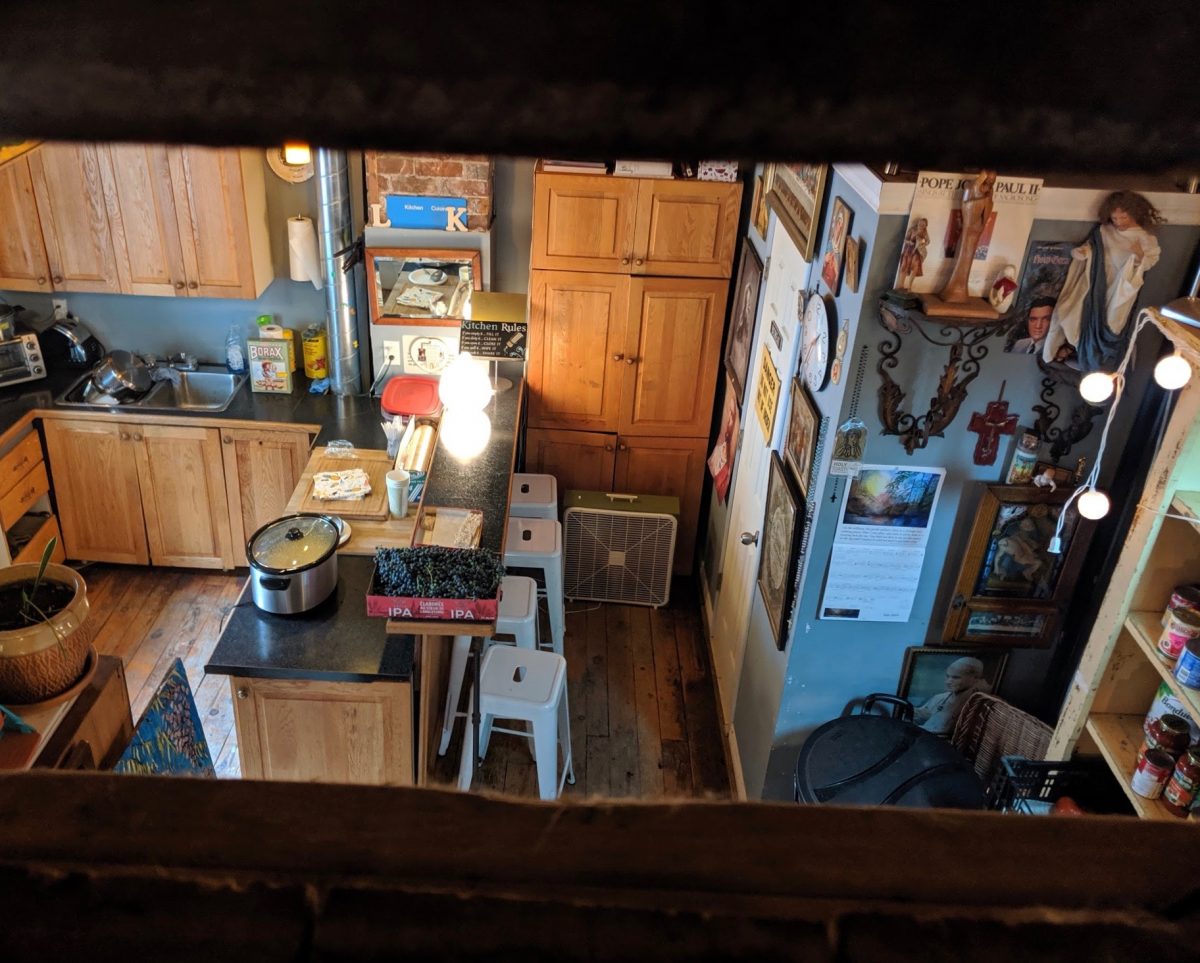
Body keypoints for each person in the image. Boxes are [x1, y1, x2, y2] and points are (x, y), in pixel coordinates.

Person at [1042, 190, 1163, 371]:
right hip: (1095, 282)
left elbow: (1148, 262)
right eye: (1115, 219)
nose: (1119, 223)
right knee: (1070, 313)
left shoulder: (1146, 239)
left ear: (1134, 213)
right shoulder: (1104, 232)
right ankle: (1076, 345)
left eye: (1123, 218)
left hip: (1121, 288)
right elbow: (1092, 248)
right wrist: (1084, 253)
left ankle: (1095, 359)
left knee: (1112, 322)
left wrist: (1139, 255)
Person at [912, 657, 991, 736]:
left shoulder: (978, 703)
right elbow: (925, 716)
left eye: (956, 677)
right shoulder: (940, 697)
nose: (948, 682)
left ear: (975, 678)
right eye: (947, 676)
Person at [897, 217, 930, 290]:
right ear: (918, 222)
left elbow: (928, 241)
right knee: (904, 267)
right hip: (908, 251)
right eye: (920, 223)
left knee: (915, 268)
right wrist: (910, 242)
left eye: (923, 224)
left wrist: (922, 243)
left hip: (917, 252)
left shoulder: (924, 232)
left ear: (925, 226)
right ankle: (900, 285)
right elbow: (905, 239)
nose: (921, 225)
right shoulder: (912, 230)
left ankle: (909, 287)